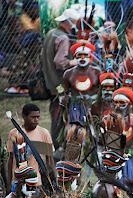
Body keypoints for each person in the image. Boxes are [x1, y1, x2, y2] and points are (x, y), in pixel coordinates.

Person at [41, 7, 79, 148]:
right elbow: (60, 62)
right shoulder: (63, 37)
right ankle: (59, 145)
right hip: (59, 84)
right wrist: (74, 62)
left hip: (50, 81)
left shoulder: (51, 33)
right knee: (60, 113)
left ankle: (58, 143)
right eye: (75, 22)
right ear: (69, 22)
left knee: (56, 111)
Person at [6, 103, 54, 189]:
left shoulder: (44, 133)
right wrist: (9, 183)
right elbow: (11, 159)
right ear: (24, 116)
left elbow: (49, 160)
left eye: (38, 117)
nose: (36, 120)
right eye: (33, 117)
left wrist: (52, 182)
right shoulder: (14, 133)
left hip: (37, 182)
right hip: (18, 182)